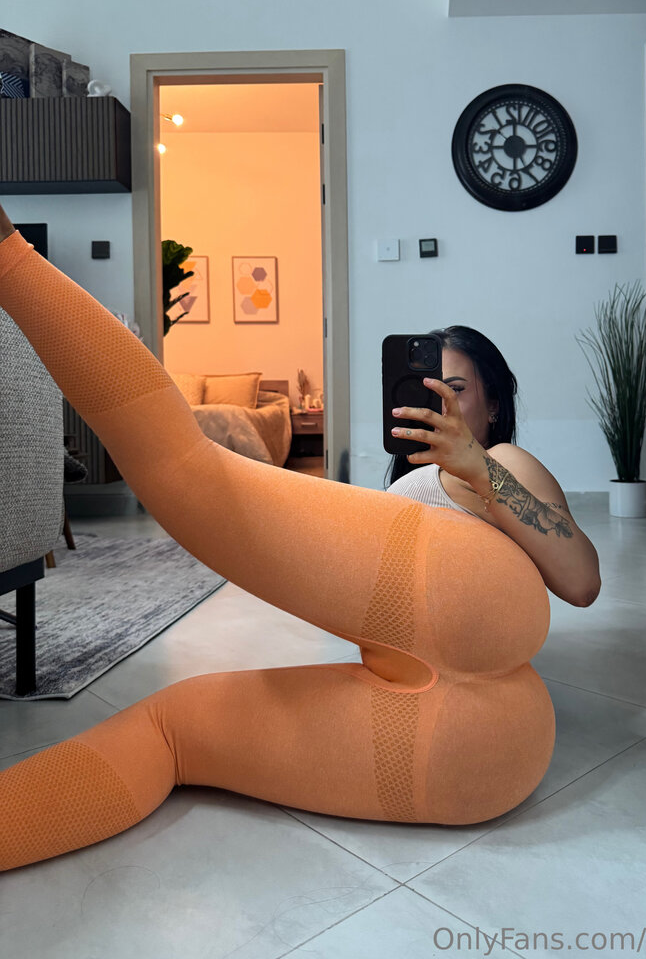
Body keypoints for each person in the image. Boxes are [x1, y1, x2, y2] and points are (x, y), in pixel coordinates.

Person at [0, 202, 599, 873]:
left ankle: (7, 255)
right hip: (488, 758)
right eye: (429, 391)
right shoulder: (406, 494)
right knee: (172, 729)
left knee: (188, 471)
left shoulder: (506, 463)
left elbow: (581, 581)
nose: (444, 406)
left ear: (495, 403)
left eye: (457, 390)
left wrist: (478, 467)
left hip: (477, 629)